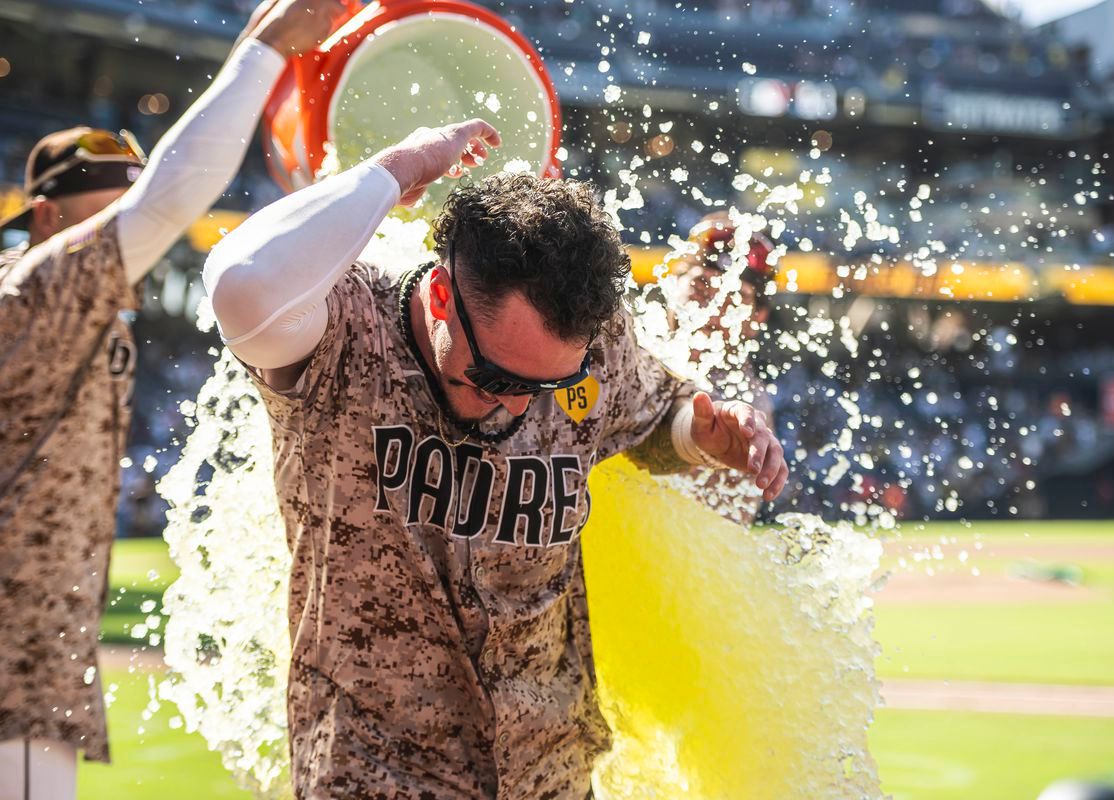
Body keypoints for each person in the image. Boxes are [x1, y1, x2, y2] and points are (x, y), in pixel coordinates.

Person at [202, 120, 789, 798]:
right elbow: (241, 284)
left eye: (552, 386)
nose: (517, 408)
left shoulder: (596, 341)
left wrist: (701, 436)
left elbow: (650, 415)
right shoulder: (343, 329)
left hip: (549, 773)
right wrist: (397, 166)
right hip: (374, 772)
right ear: (443, 297)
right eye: (501, 379)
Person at [0, 2, 344, 796]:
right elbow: (168, 201)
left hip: (37, 666)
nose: (131, 236)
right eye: (102, 218)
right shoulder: (29, 296)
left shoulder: (78, 312)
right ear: (47, 218)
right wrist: (260, 52)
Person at [669, 211, 778, 526]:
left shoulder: (746, 407)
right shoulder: (635, 344)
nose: (712, 310)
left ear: (758, 318)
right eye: (702, 286)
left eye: (732, 298)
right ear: (673, 284)